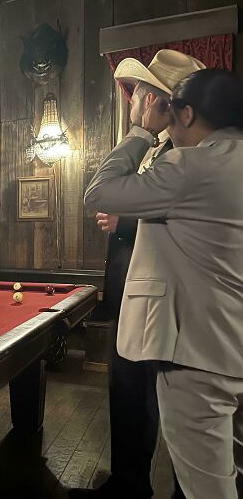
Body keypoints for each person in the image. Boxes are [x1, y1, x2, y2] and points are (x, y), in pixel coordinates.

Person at [84, 68, 243, 499]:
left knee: (207, 488)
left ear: (185, 113)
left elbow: (99, 193)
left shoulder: (192, 163)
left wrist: (139, 131)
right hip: (228, 339)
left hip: (194, 347)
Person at [71, 49, 204, 499]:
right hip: (138, 290)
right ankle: (129, 485)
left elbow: (107, 192)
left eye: (136, 94)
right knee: (129, 395)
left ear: (153, 101)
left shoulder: (184, 154)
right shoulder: (166, 149)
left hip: (169, 302)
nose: (130, 100)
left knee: (168, 409)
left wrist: (124, 216)